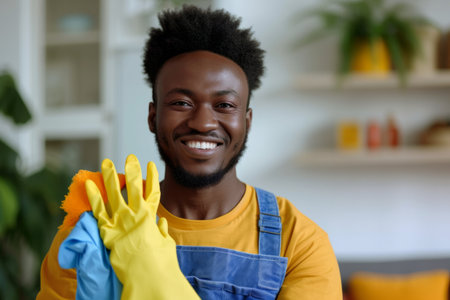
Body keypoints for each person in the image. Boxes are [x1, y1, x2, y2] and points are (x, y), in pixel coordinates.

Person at [37, 5, 342, 299]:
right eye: (182, 103)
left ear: (246, 122)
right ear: (153, 117)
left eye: (224, 105)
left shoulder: (299, 243)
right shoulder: (95, 231)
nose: (202, 122)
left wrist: (152, 274)